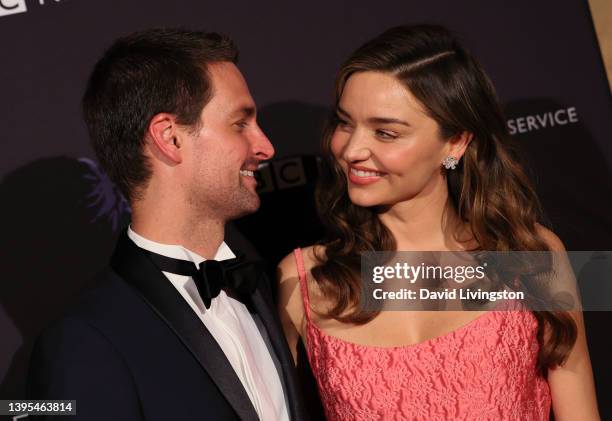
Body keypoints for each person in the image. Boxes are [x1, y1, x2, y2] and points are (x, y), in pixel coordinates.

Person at [277, 24, 600, 420]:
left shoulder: (528, 258)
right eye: (345, 122)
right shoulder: (305, 280)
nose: (351, 149)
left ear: (455, 142)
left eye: (385, 132)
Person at [27, 28, 306, 421]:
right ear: (170, 138)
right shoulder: (83, 340)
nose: (266, 147)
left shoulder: (259, 285)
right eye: (240, 123)